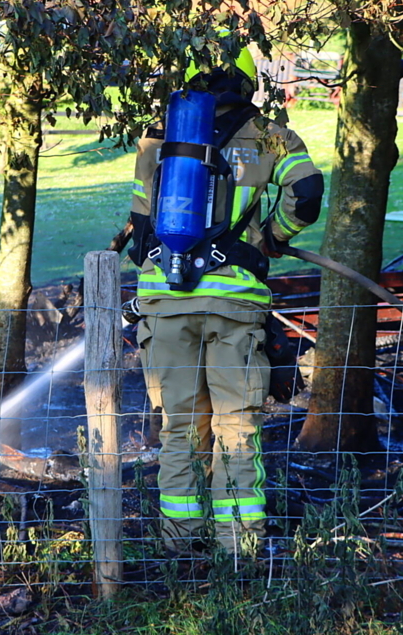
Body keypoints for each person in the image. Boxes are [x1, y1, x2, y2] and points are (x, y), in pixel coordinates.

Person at [126, 36, 324, 554]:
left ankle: (179, 545)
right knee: (236, 429)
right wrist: (272, 238)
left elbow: (140, 230)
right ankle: (239, 549)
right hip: (234, 304)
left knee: (178, 430)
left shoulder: (158, 137)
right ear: (245, 80)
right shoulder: (270, 135)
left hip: (165, 301)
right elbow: (306, 195)